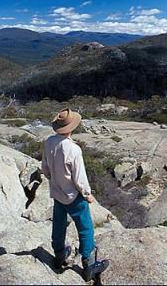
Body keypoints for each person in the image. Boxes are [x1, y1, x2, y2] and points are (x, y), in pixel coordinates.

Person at [42, 108, 109, 281]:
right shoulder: (73, 149)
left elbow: (45, 170)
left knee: (58, 223)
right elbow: (79, 179)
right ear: (71, 127)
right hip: (74, 196)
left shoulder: (48, 142)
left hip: (57, 193)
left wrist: (54, 179)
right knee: (85, 228)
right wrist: (87, 194)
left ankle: (59, 254)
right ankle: (89, 265)